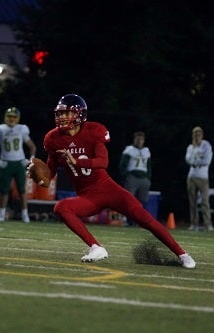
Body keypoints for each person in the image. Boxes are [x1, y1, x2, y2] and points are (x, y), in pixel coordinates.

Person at [30, 94, 195, 268]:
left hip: (108, 189)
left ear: (80, 114)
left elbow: (103, 162)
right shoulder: (53, 139)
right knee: (61, 207)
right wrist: (37, 176)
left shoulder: (94, 131)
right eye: (60, 113)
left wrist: (77, 161)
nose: (62, 117)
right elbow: (49, 178)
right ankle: (96, 247)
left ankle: (182, 254)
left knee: (145, 219)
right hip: (87, 197)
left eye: (67, 113)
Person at [0, 107, 36, 223]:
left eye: (14, 117)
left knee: (22, 190)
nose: (12, 119)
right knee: (4, 190)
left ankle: (25, 214)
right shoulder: (0, 129)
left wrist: (30, 159)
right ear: (5, 117)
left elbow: (32, 147)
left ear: (17, 118)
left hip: (19, 163)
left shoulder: (21, 129)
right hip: (6, 163)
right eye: (10, 116)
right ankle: (2, 214)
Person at [119, 131, 151, 226]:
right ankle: (127, 220)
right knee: (129, 200)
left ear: (144, 140)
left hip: (143, 178)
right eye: (138, 139)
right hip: (132, 177)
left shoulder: (146, 151)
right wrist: (126, 176)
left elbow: (149, 166)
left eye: (141, 139)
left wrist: (148, 178)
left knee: (141, 201)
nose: (139, 141)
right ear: (134, 139)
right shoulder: (129, 150)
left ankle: (137, 221)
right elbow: (122, 165)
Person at [185, 126, 214, 232]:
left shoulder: (206, 145)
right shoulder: (191, 147)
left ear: (202, 135)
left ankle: (208, 224)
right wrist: (196, 160)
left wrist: (196, 162)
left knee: (205, 202)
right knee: (192, 202)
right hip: (191, 176)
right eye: (195, 135)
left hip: (203, 177)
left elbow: (207, 160)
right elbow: (188, 159)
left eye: (198, 135)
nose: (197, 137)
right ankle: (194, 224)